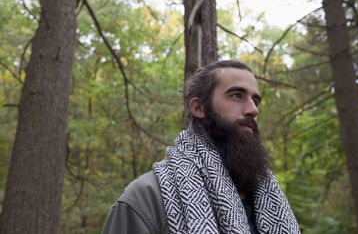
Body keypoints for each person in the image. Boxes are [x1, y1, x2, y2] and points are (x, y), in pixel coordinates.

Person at [102, 60, 300, 234]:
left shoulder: (268, 196)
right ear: (199, 108)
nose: (253, 109)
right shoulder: (146, 199)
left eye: (255, 100)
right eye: (237, 95)